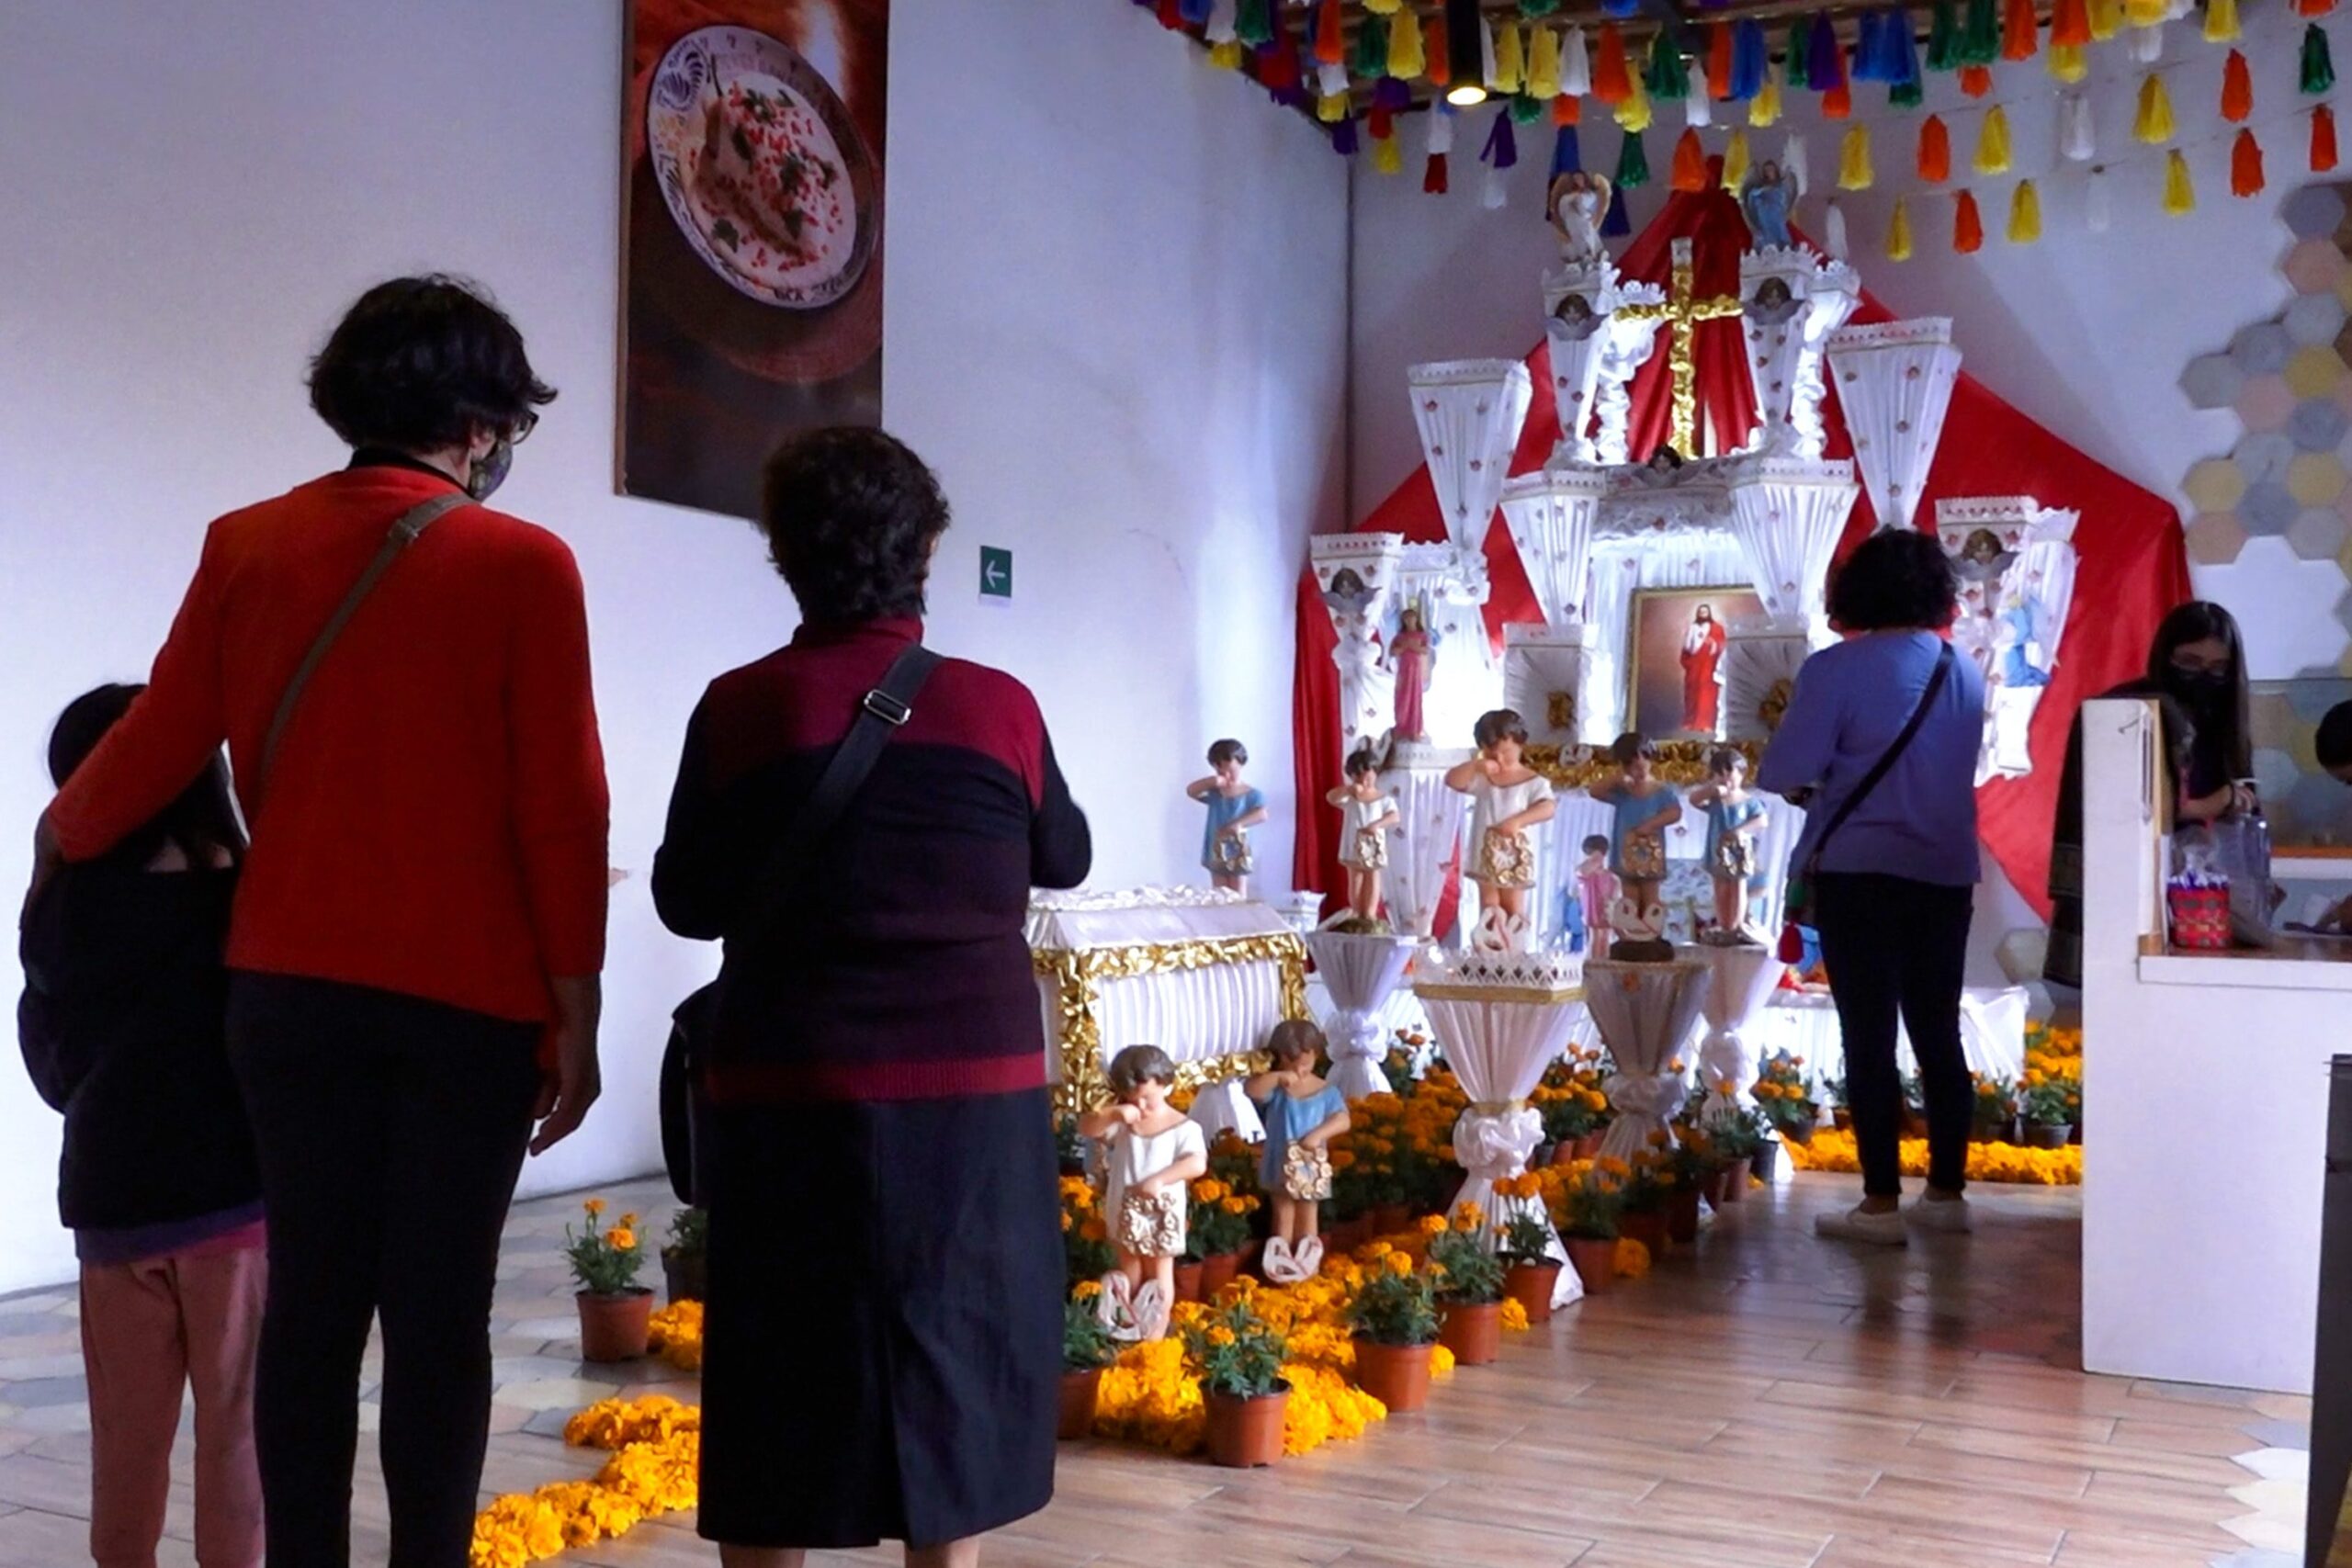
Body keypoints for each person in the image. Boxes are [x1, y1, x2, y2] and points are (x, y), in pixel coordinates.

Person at [28, 276, 609, 1566]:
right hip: (469, 1005)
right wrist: (577, 1003)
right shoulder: (525, 564)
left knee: (312, 1311)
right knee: (440, 1319)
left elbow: (160, 739)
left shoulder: (248, 545)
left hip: (289, 998)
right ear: (479, 423)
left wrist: (60, 831)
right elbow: (562, 806)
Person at [652, 426, 1091, 1568]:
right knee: (958, 1354)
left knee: (781, 1369)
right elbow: (1067, 854)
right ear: (928, 551)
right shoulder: (999, 709)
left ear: (783, 554)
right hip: (974, 1097)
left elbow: (686, 902)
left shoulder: (740, 709)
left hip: (791, 1090)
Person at [19, 686, 264, 1568]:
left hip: (114, 1206)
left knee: (126, 1441)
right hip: (235, 1208)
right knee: (237, 1430)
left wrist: (47, 866)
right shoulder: (250, 896)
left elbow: (52, 1068)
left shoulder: (67, 912)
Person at [1758, 528, 1986, 1246]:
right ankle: (1947, 1193)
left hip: (1861, 871)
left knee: (1868, 1035)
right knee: (1939, 1031)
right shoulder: (1963, 668)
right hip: (1945, 869)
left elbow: (1783, 768)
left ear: (1859, 590)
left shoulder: (1836, 669)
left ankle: (1880, 1203)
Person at [2044, 602, 2254, 989]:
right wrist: (2219, 801)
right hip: (2128, 890)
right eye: (2189, 662)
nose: (2203, 676)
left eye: (2217, 668)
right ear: (2165, 655)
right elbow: (2138, 808)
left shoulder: (2221, 720)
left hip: (2196, 897)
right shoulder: (2126, 711)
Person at [1078, 1045, 1207, 1342]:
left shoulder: (1182, 1127)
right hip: (1126, 1208)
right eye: (1132, 1097)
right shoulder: (1125, 1123)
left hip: (1160, 1213)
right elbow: (1088, 1128)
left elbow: (1196, 1163)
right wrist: (1113, 1113)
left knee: (1159, 1268)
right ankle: (1129, 1323)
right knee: (1129, 1263)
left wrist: (1161, 1179)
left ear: (1165, 1084)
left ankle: (1155, 1332)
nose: (1140, 1105)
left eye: (1147, 1097)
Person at [1245, 1021, 1351, 1284]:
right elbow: (1252, 1090)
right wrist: (1277, 1077)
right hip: (1280, 1161)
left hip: (1310, 1165)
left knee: (1308, 1211)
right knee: (1283, 1212)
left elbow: (1342, 1119)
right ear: (1280, 1058)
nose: (1300, 1070)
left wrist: (1318, 1134)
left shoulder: (1325, 1090)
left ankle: (1307, 1269)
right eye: (1291, 1063)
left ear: (1317, 1055)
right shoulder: (1278, 1089)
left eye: (1306, 1063)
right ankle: (1280, 1268)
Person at [1446, 709, 1558, 930]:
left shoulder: (1533, 782)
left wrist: (1518, 821)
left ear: (1520, 745)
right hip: (1486, 854)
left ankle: (1513, 945)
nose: (1498, 759)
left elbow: (1547, 808)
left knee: (1512, 906)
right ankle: (1491, 944)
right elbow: (1452, 780)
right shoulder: (1483, 779)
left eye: (1505, 752)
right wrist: (1476, 765)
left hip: (1514, 855)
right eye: (1490, 753)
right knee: (1489, 906)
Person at [1328, 743, 1400, 923]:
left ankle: (1370, 913)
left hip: (1373, 844)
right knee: (1355, 878)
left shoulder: (1383, 798)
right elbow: (1331, 798)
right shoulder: (1350, 798)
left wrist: (1377, 824)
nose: (1364, 782)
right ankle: (1357, 910)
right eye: (1359, 778)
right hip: (1353, 843)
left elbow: (1394, 816)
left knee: (1373, 876)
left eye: (1368, 777)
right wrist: (1348, 789)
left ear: (1375, 774)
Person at [1188, 739, 1269, 895]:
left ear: (1240, 763)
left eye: (1230, 770)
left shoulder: (1251, 793)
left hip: (1238, 848)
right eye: (1219, 770)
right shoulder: (1215, 793)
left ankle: (1238, 910)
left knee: (1238, 889)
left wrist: (1238, 824)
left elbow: (1261, 814)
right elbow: (1192, 791)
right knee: (1220, 890)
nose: (1225, 774)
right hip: (1217, 847)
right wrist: (1211, 781)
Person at [1681, 604, 1727, 733]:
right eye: (1701, 612)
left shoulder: (1717, 628)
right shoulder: (1692, 628)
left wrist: (1713, 643)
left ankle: (1706, 723)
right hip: (1694, 668)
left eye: (1705, 612)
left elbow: (1723, 647)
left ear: (1709, 613)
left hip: (1709, 667)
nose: (1703, 614)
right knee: (1692, 695)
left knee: (1707, 695)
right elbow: (1686, 650)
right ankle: (1690, 722)